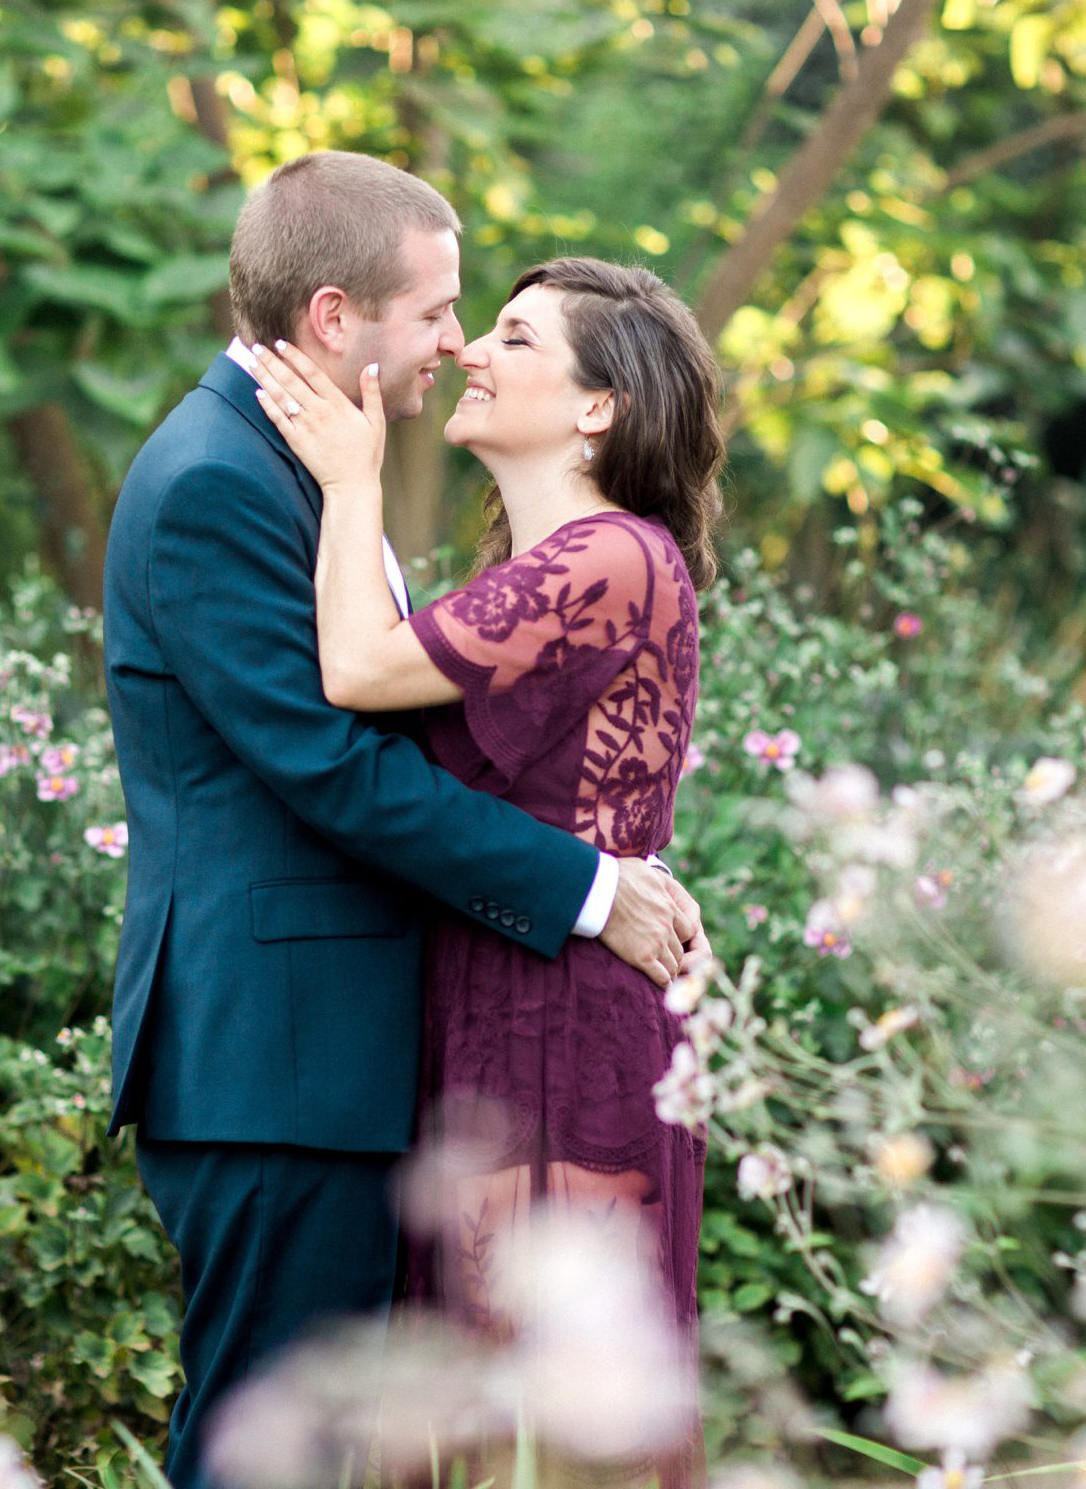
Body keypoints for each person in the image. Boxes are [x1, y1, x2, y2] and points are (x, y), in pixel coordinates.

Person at [100, 152, 710, 1489]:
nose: (455, 340)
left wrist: (613, 869)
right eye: (437, 311)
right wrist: (590, 888)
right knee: (271, 1449)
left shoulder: (309, 466)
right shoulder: (218, 480)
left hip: (362, 1058)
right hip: (276, 1058)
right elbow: (331, 767)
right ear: (335, 317)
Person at [245, 254, 722, 1486]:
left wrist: (350, 480)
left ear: (597, 406)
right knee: (479, 1398)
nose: (468, 350)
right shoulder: (546, 569)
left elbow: (355, 672)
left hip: (563, 1020)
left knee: (548, 1412)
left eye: (513, 338)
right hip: (502, 990)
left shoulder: (608, 557)